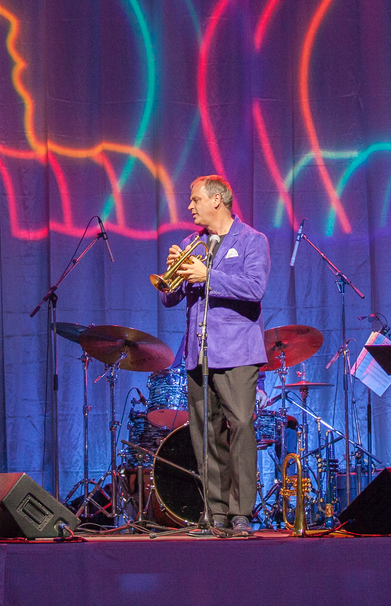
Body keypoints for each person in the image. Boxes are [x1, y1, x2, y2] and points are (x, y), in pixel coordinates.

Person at [159, 175, 269, 535]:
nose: (189, 206)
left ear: (218, 200)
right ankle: (215, 513)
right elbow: (168, 298)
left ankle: (241, 512)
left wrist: (210, 275)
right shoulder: (191, 243)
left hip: (237, 352)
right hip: (199, 353)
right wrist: (172, 276)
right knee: (204, 434)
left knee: (239, 426)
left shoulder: (253, 241)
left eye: (195, 200)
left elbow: (255, 289)